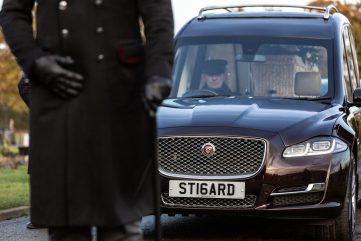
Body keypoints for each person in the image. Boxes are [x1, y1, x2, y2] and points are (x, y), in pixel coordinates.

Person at [0, 0, 174, 240]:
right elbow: (12, 11)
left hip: (120, 91)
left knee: (120, 225)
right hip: (58, 90)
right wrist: (35, 61)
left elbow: (158, 12)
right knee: (65, 224)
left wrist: (159, 72)